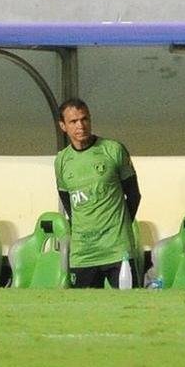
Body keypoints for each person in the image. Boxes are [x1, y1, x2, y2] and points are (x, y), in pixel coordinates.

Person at [54, 98, 141, 289]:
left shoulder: (113, 150)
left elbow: (134, 195)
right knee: (82, 306)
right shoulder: (61, 161)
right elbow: (66, 199)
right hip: (83, 253)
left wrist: (119, 226)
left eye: (84, 119)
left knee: (130, 305)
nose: (81, 125)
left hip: (117, 249)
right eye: (73, 121)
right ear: (63, 126)